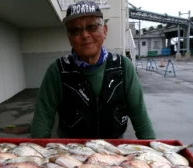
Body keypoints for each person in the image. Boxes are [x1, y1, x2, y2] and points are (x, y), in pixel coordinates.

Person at [31, 0, 155, 139]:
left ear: (104, 31)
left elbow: (141, 119)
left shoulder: (123, 67)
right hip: (70, 153)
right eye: (75, 30)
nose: (84, 35)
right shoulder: (58, 71)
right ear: (69, 38)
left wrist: (153, 154)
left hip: (113, 152)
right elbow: (41, 124)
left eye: (92, 27)